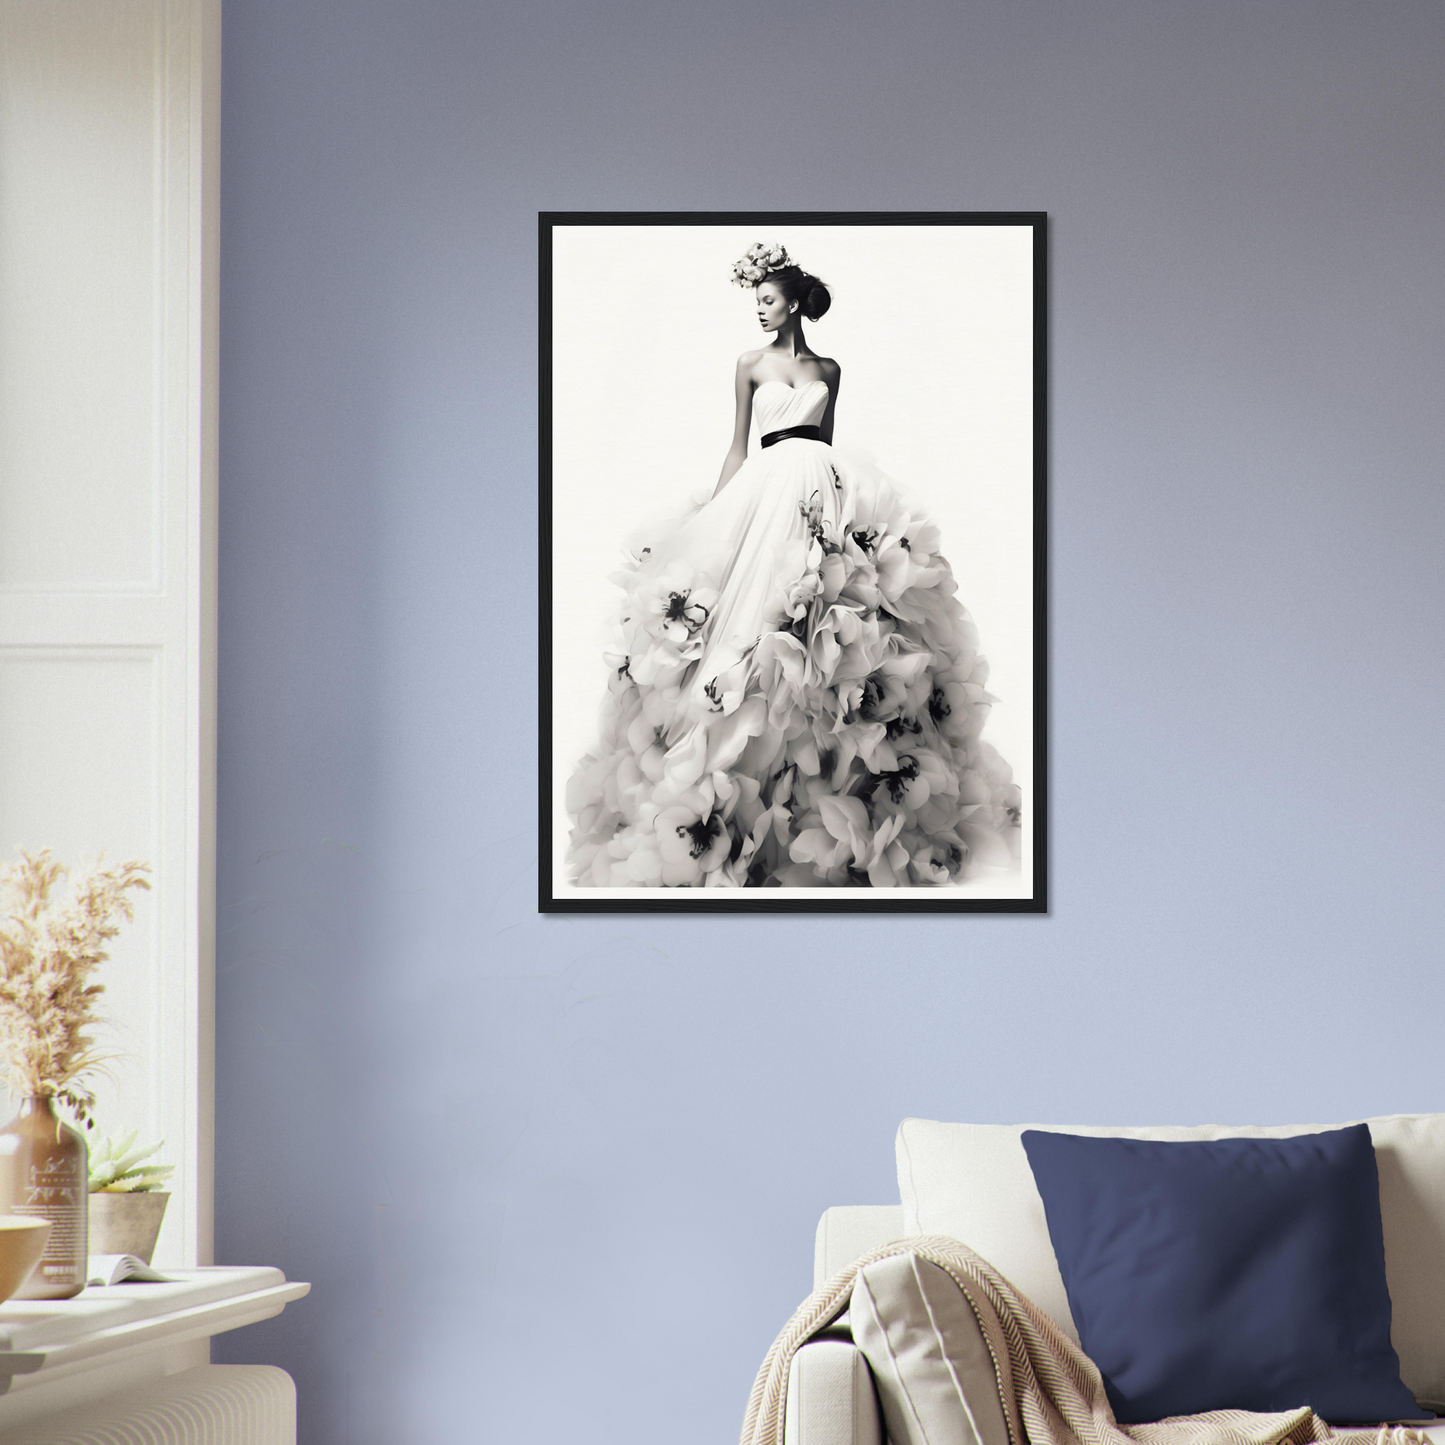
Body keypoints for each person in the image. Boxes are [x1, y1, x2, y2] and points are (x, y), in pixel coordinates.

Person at [565, 242, 1020, 888]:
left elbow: (825, 444)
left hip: (821, 490)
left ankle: (826, 789)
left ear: (792, 299)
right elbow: (737, 447)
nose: (759, 311)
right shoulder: (748, 364)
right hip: (764, 490)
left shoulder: (829, 370)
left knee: (825, 624)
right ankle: (735, 786)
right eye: (755, 301)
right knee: (751, 625)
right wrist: (713, 517)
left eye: (768, 299)